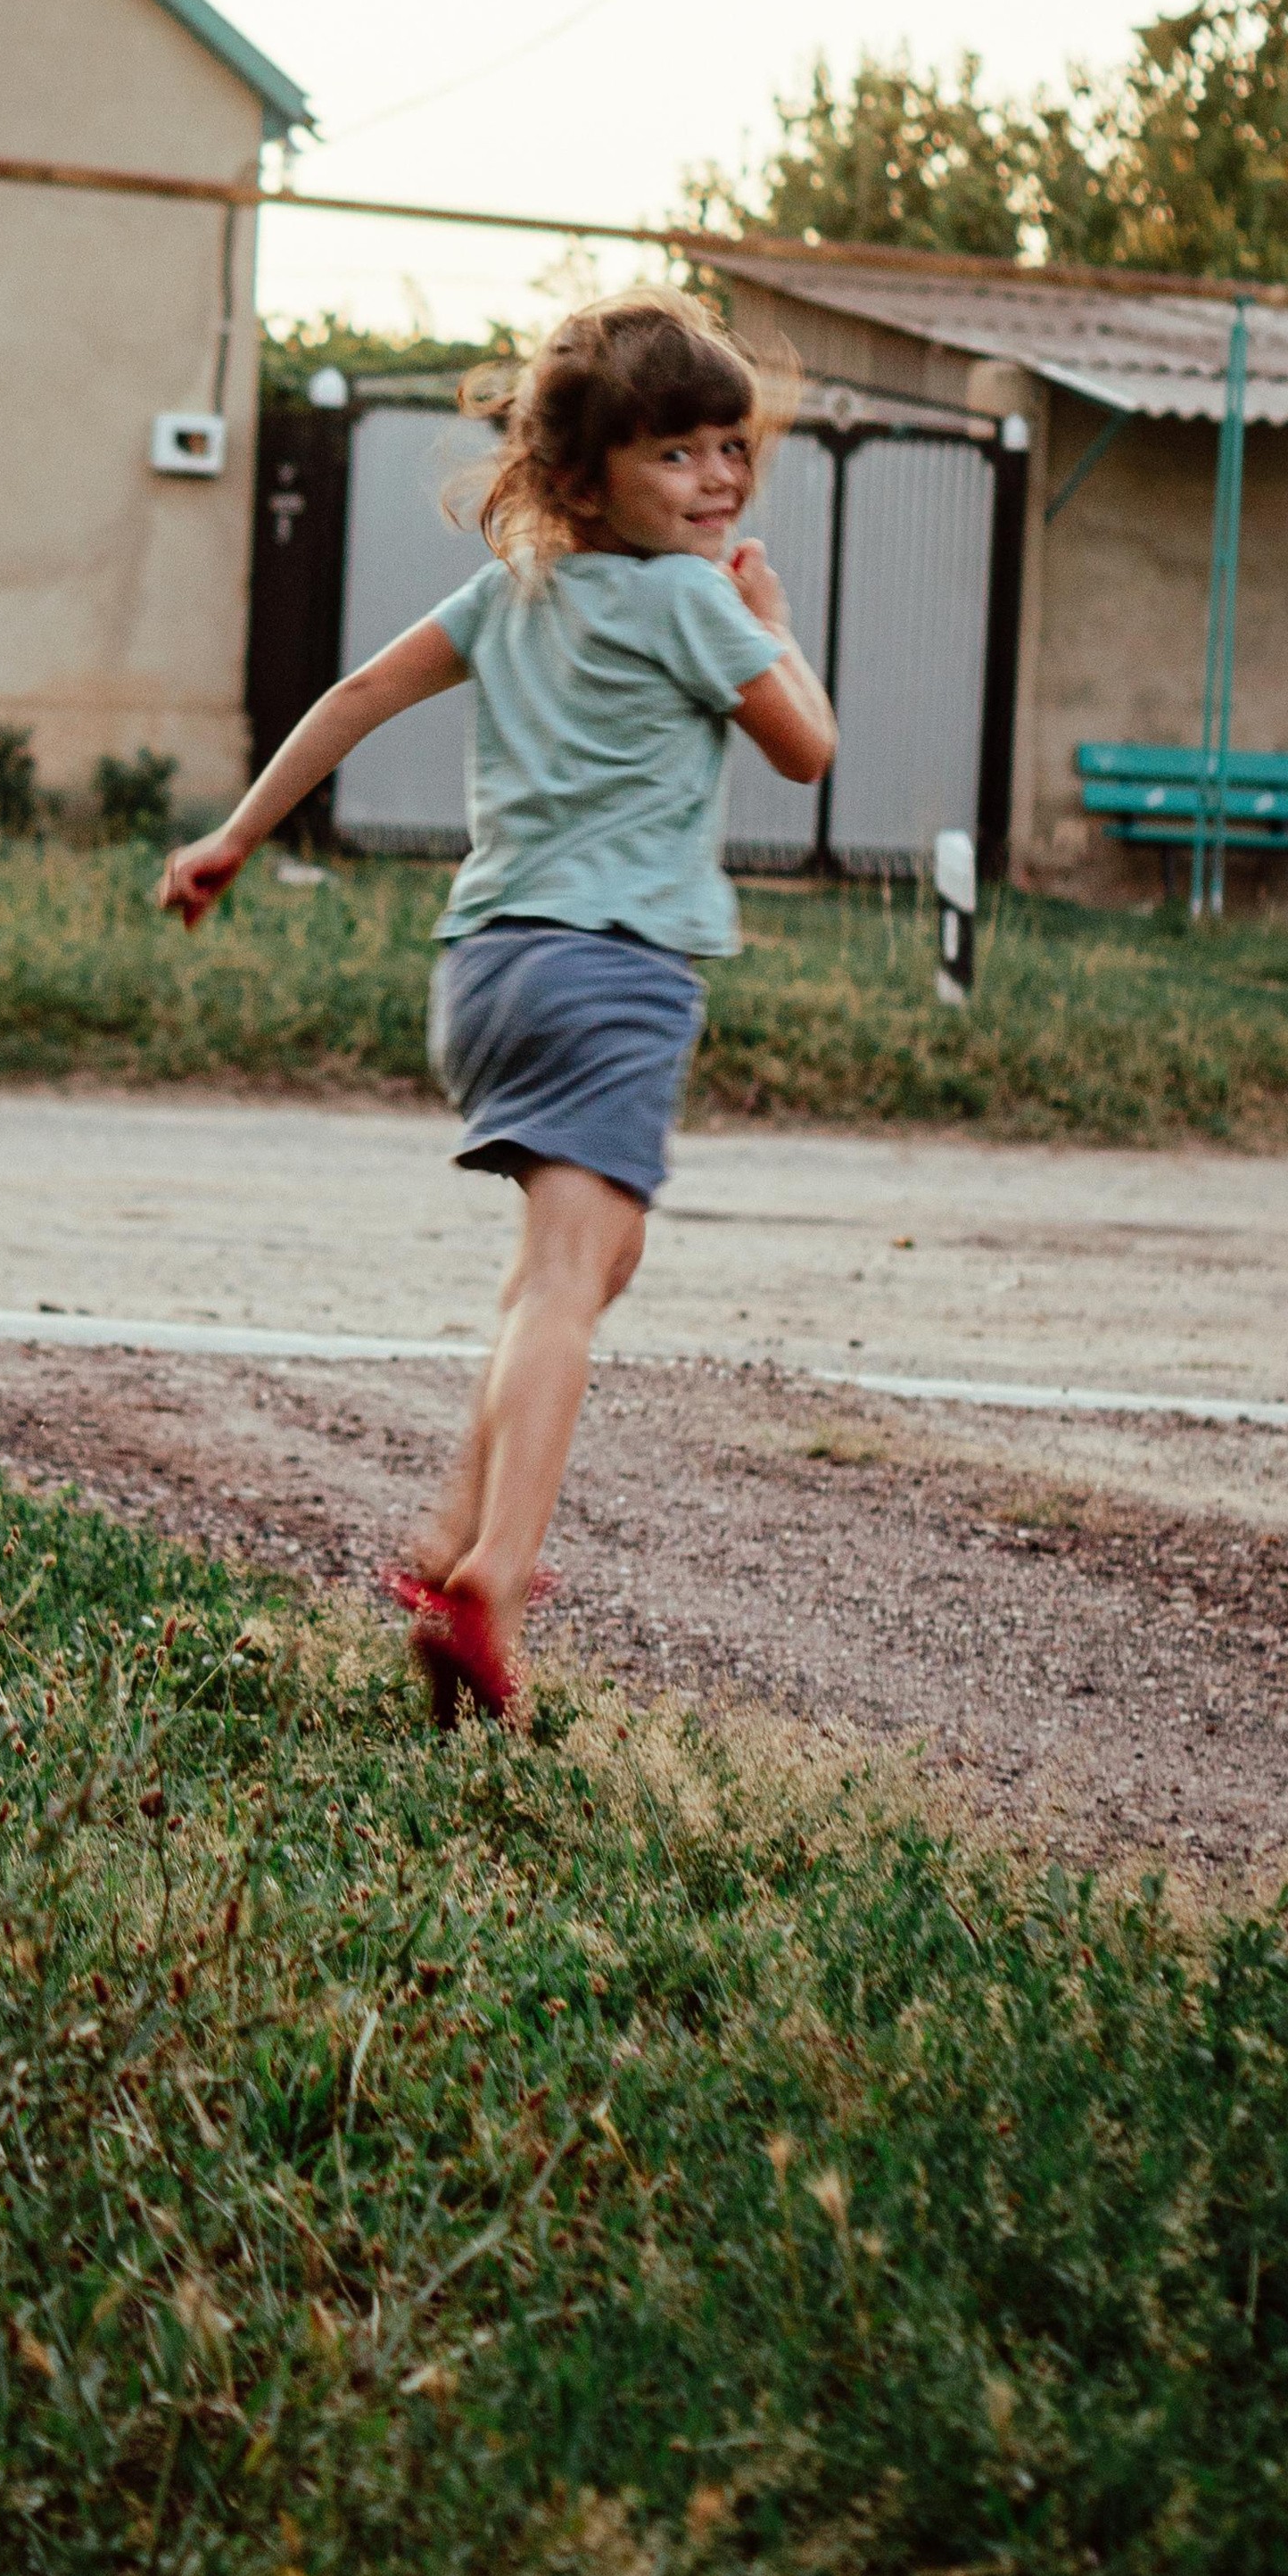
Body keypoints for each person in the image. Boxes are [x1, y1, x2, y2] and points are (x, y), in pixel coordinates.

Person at [158, 286, 836, 1724]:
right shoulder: (693, 604)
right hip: (616, 971)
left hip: (489, 971)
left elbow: (351, 696)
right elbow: (809, 752)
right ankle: (496, 1575)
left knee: (582, 1264)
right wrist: (774, 626)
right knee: (569, 1283)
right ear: (587, 480)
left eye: (731, 447)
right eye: (679, 456)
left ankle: (448, 1534)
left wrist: (236, 835)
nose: (718, 479)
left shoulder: (508, 593)